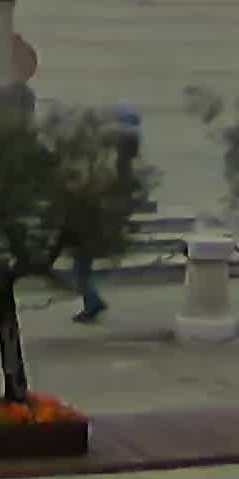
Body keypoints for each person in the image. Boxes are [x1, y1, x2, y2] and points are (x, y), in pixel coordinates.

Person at [71, 107, 144, 325]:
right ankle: (91, 302)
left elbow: (98, 186)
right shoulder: (126, 158)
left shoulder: (112, 160)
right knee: (81, 264)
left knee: (80, 264)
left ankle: (92, 302)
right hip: (104, 217)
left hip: (96, 218)